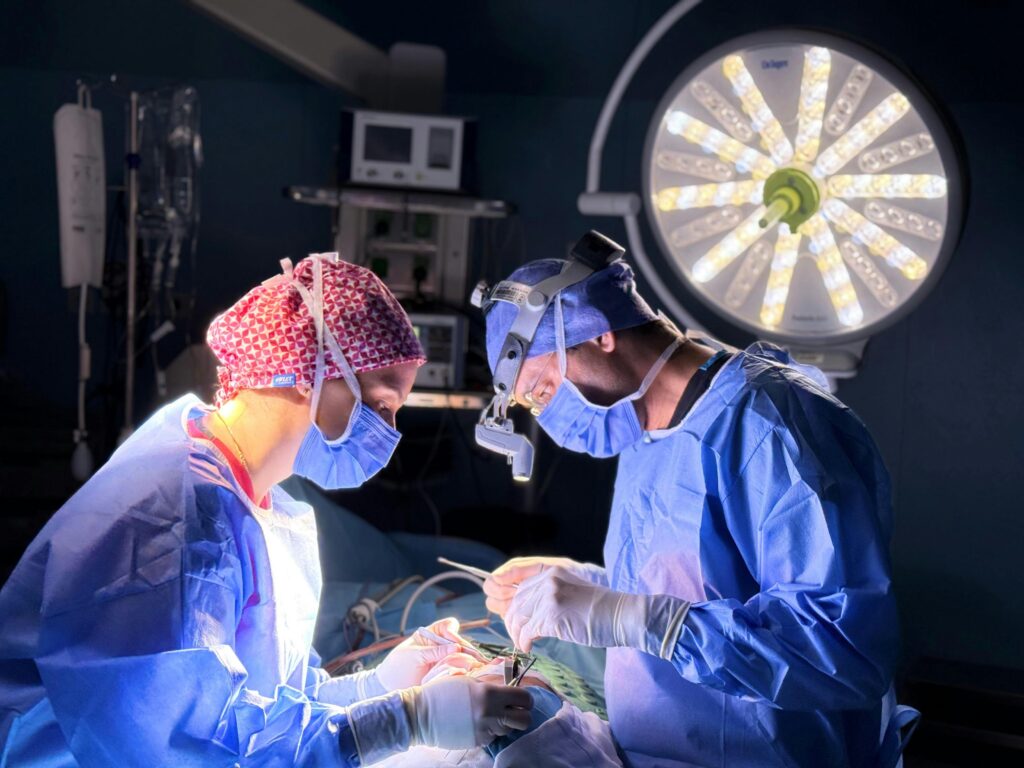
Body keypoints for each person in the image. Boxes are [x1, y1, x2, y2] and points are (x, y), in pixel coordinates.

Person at [0, 253, 531, 767]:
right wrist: (405, 722)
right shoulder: (174, 525)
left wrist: (381, 685)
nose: (388, 433)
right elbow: (195, 750)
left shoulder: (259, 504)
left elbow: (262, 706)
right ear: (308, 370)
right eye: (382, 404)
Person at [479, 244, 918, 768]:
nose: (546, 416)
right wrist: (589, 587)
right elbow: (701, 584)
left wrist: (625, 616)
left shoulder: (770, 424)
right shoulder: (647, 432)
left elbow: (843, 648)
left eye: (544, 388)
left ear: (600, 333)